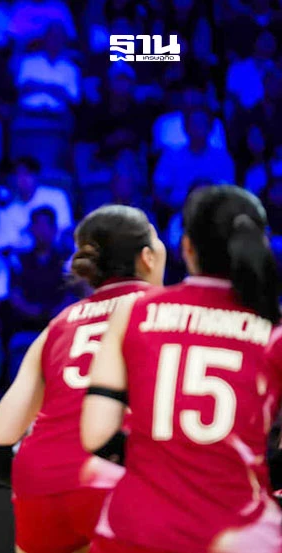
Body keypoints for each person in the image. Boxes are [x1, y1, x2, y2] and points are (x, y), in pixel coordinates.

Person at [82, 185, 282, 553]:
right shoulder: (274, 331)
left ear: (187, 247)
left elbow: (96, 434)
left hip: (135, 530)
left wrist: (160, 458)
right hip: (240, 536)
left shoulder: (135, 311)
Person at [0, 205, 166, 553]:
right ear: (147, 257)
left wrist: (42, 479)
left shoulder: (60, 323)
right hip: (119, 483)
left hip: (40, 487)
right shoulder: (169, 311)